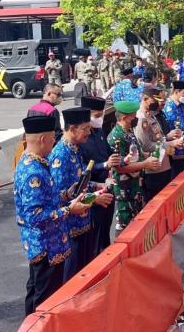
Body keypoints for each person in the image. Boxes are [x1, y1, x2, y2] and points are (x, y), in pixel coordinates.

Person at [15, 116, 91, 315]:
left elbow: (45, 198)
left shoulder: (32, 162)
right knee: (44, 301)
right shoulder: (33, 171)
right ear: (42, 139)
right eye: (51, 139)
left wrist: (66, 194)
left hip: (46, 244)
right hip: (46, 246)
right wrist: (69, 210)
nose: (54, 143)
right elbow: (36, 217)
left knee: (36, 292)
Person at [49, 108, 114, 281]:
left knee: (85, 271)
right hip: (70, 229)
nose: (89, 132)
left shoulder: (75, 149)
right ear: (72, 129)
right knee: (72, 277)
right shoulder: (60, 156)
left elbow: (79, 183)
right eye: (85, 128)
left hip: (84, 223)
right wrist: (95, 199)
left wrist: (99, 185)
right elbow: (62, 196)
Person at [107, 101, 160, 233]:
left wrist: (147, 157)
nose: (135, 118)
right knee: (125, 227)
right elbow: (120, 168)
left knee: (138, 225)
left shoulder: (128, 132)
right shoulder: (116, 137)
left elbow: (134, 155)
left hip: (136, 186)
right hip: (125, 190)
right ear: (124, 118)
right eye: (132, 116)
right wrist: (145, 164)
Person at [79, 97, 121, 256]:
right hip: (91, 193)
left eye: (101, 115)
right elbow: (83, 169)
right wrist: (104, 165)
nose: (100, 119)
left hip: (107, 187)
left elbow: (108, 152)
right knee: (94, 238)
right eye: (96, 115)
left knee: (105, 231)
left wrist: (120, 159)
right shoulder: (81, 139)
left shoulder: (99, 131)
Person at [135, 87, 183, 202]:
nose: (160, 102)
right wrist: (170, 143)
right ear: (145, 99)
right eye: (156, 99)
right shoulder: (141, 119)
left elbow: (158, 137)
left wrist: (169, 140)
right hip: (153, 169)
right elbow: (145, 145)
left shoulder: (151, 115)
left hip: (163, 165)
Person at [164, 81, 184, 178]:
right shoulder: (169, 106)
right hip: (175, 150)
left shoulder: (183, 106)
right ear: (176, 92)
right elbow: (177, 125)